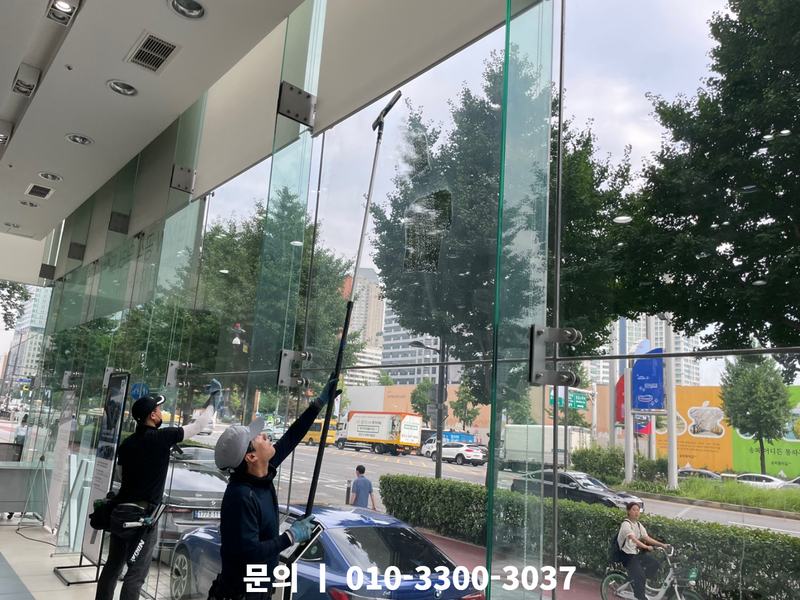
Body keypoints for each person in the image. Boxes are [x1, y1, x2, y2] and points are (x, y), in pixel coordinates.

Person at [212, 375, 342, 600]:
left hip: (259, 589)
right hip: (242, 594)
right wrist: (291, 536)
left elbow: (291, 437)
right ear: (251, 457)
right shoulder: (241, 497)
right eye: (258, 438)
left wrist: (318, 403)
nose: (265, 435)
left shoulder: (262, 473)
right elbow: (249, 553)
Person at [94, 381, 221, 600]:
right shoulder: (161, 438)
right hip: (141, 520)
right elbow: (198, 426)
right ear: (152, 416)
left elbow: (122, 475)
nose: (161, 412)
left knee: (112, 568)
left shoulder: (127, 443)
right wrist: (213, 401)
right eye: (159, 409)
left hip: (119, 514)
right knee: (135, 574)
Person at [617, 501, 668, 600]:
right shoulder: (625, 524)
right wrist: (645, 546)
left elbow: (647, 538)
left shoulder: (638, 525)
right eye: (634, 510)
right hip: (626, 555)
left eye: (638, 510)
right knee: (640, 576)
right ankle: (639, 595)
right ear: (628, 511)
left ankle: (638, 581)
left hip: (635, 553)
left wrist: (662, 545)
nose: (636, 512)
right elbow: (633, 538)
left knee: (655, 563)